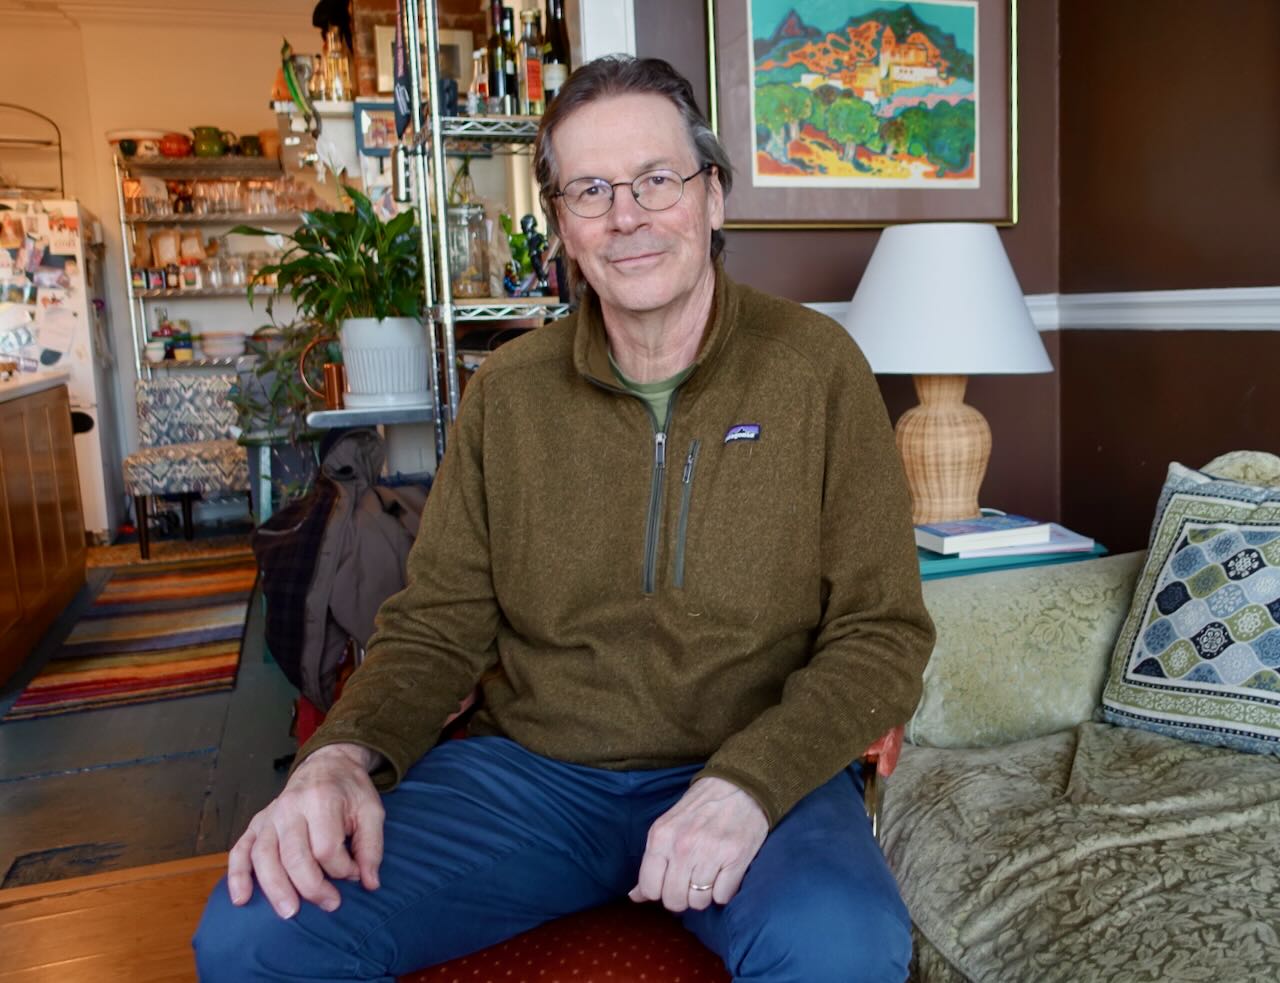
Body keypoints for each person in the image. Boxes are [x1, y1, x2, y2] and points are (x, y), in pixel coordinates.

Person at [194, 55, 935, 982]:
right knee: (256, 932)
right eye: (591, 191)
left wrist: (749, 782)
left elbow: (883, 631)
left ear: (713, 197)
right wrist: (339, 755)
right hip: (535, 778)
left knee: (843, 944)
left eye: (656, 179)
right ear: (563, 229)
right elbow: (436, 627)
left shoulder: (819, 368)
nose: (627, 216)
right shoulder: (507, 393)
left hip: (753, 765)